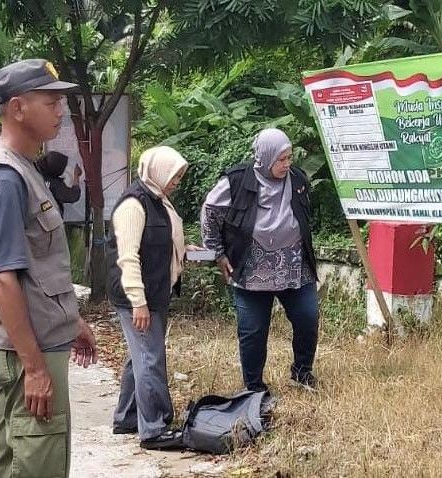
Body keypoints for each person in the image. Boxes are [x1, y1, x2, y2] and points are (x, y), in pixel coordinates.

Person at [0, 59, 98, 478]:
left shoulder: (25, 170)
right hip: (29, 352)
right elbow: (2, 278)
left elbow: (39, 267)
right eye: (52, 101)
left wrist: (71, 319)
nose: (61, 110)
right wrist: (36, 368)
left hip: (40, 342)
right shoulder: (6, 177)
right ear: (18, 108)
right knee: (35, 465)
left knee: (13, 461)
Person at [201, 128, 319, 393]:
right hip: (252, 270)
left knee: (308, 318)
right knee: (253, 330)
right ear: (265, 157)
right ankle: (254, 387)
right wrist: (217, 252)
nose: (287, 164)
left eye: (289, 157)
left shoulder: (297, 179)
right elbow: (210, 211)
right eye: (281, 159)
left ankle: (302, 373)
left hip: (294, 267)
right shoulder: (238, 180)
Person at [107, 145, 200, 450]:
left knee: (142, 356)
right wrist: (139, 302)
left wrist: (186, 251)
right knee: (150, 357)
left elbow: (162, 241)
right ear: (158, 171)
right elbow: (128, 258)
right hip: (138, 295)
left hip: (155, 291)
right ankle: (155, 429)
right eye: (174, 175)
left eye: (180, 175)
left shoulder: (159, 200)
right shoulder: (134, 205)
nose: (178, 181)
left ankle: (128, 416)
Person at [36, 151, 82, 216]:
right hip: (47, 220)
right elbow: (73, 196)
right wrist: (76, 176)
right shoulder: (51, 183)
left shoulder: (34, 169)